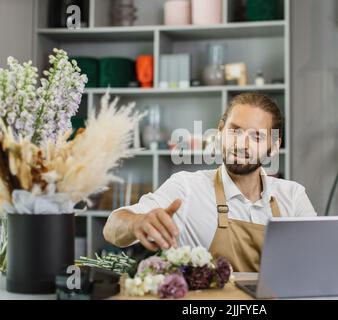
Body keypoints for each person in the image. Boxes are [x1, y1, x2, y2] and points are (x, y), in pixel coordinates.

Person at [103, 92, 316, 272]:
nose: (241, 144)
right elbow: (112, 227)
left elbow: (316, 261)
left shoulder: (293, 197)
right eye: (235, 131)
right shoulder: (187, 188)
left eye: (256, 137)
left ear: (274, 145)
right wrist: (136, 223)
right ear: (220, 131)